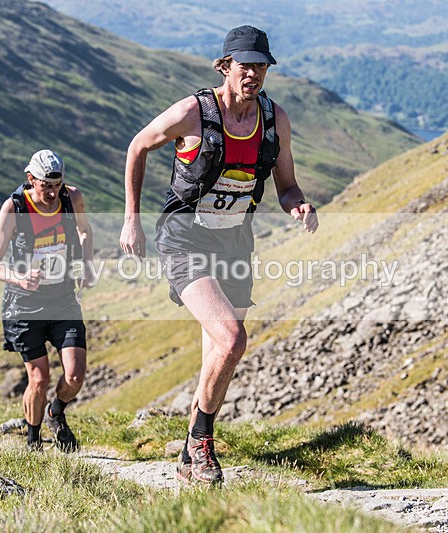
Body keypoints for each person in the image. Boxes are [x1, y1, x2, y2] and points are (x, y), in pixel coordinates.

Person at [119, 25, 319, 485]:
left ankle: (191, 453)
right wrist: (131, 217)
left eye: (261, 65)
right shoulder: (194, 112)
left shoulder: (274, 119)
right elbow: (138, 146)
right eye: (244, 64)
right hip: (186, 237)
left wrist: (300, 206)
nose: (253, 73)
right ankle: (202, 441)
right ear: (224, 67)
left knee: (219, 354)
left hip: (236, 241)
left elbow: (287, 186)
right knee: (232, 339)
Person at [0, 149, 95, 452]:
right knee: (39, 378)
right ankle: (33, 440)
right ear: (30, 179)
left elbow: (85, 232)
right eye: (45, 185)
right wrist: (19, 279)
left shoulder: (72, 199)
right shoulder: (15, 208)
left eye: (56, 185)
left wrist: (87, 264)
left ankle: (55, 412)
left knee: (74, 374)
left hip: (62, 297)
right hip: (24, 304)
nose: (51, 192)